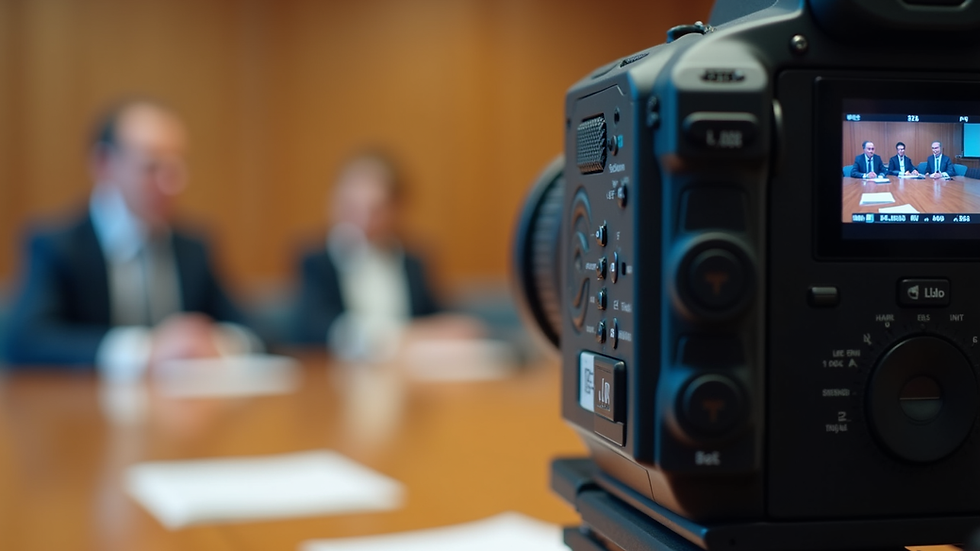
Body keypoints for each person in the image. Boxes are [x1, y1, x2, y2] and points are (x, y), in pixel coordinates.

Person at [3, 99, 260, 378]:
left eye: (177, 167)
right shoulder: (59, 246)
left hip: (182, 403)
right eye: (151, 167)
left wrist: (213, 343)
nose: (171, 184)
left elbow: (256, 330)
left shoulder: (193, 247)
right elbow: (25, 340)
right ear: (104, 164)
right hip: (88, 404)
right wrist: (145, 351)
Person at [291, 151, 477, 360]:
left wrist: (451, 327)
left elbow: (437, 317)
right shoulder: (316, 260)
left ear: (396, 209)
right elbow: (315, 328)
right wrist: (397, 338)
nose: (363, 220)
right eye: (353, 207)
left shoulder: (414, 262)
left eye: (375, 210)